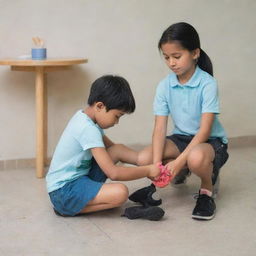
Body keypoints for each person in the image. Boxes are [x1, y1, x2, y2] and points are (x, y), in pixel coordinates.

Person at [137, 22, 229, 220]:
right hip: (181, 138)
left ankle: (207, 186)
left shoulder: (207, 84)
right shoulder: (164, 86)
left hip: (210, 142)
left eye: (177, 56)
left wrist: (179, 161)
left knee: (196, 158)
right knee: (144, 159)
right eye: (167, 57)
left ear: (195, 53)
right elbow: (159, 129)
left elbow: (204, 131)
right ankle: (182, 168)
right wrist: (156, 165)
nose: (171, 63)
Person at [46, 75, 161, 217]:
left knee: (117, 149)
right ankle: (66, 209)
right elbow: (113, 173)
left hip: (79, 179)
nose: (116, 122)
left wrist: (143, 165)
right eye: (117, 116)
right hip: (64, 191)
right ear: (100, 106)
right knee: (120, 193)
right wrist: (147, 171)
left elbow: (113, 150)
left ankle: (144, 160)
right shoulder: (87, 129)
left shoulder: (86, 118)